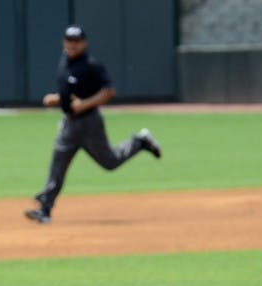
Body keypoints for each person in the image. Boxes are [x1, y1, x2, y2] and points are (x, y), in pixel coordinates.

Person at [25, 25, 162, 224]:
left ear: (84, 43)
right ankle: (45, 209)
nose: (72, 44)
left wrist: (84, 104)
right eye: (68, 40)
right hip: (69, 124)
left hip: (89, 124)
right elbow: (70, 92)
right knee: (58, 165)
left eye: (76, 41)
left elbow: (109, 91)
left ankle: (140, 142)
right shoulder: (64, 61)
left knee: (110, 162)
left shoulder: (91, 65)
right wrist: (57, 99)